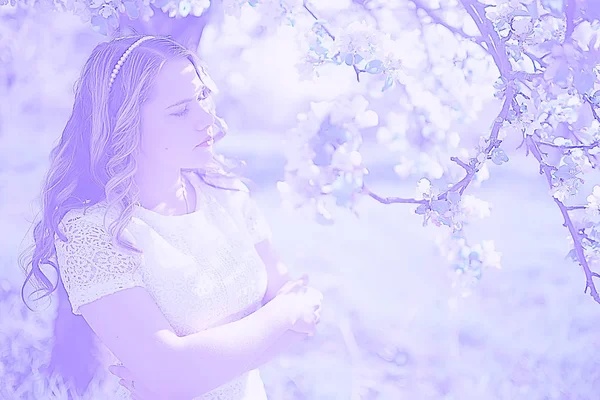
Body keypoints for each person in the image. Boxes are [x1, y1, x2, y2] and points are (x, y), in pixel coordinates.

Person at [19, 34, 323, 399]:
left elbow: (306, 316)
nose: (206, 117)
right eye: (180, 110)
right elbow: (292, 309)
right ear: (125, 124)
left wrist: (187, 374)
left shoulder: (226, 195)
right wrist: (284, 314)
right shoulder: (93, 233)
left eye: (202, 97)